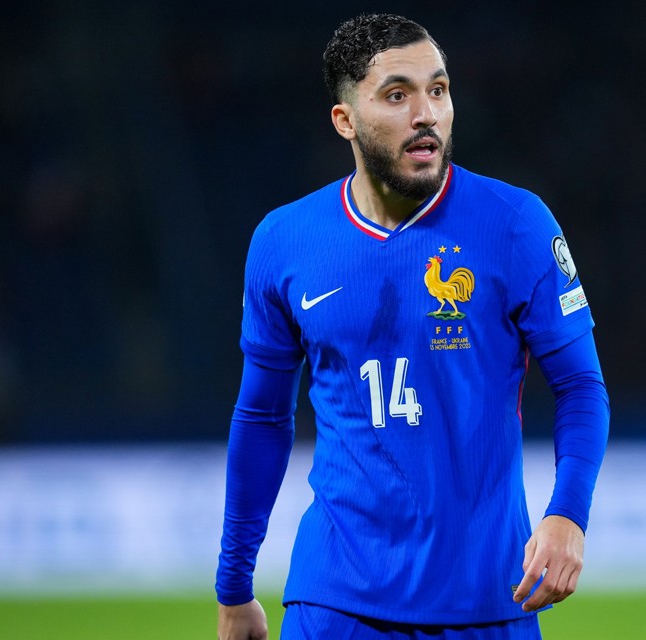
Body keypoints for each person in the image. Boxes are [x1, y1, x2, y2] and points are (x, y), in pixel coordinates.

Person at [216, 14, 610, 640]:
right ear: (346, 120)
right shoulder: (284, 241)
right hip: (336, 602)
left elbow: (582, 386)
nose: (426, 112)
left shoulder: (516, 224)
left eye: (439, 89)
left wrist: (567, 515)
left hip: (489, 597)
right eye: (397, 95)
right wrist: (235, 585)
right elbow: (263, 418)